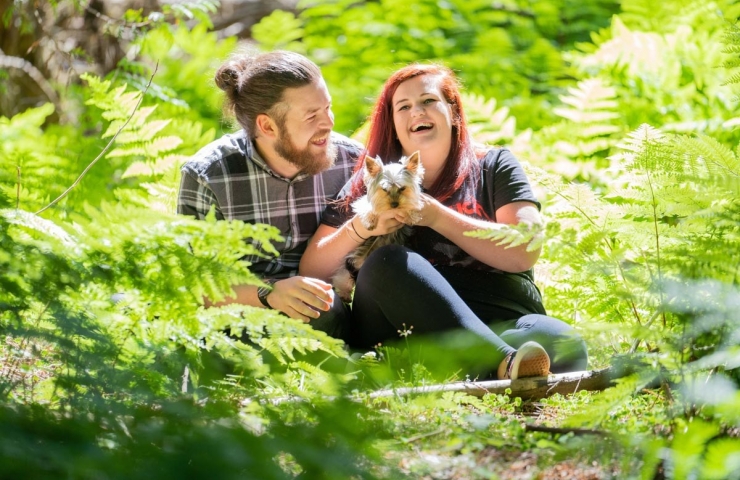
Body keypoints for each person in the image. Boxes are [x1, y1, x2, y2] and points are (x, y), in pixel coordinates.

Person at [299, 63, 588, 379]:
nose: (416, 113)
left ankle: (482, 363)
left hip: (501, 315)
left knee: (562, 344)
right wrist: (362, 227)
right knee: (387, 261)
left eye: (428, 101)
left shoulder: (494, 165)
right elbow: (312, 270)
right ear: (392, 123)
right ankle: (504, 364)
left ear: (453, 111)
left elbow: (524, 249)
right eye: (403, 107)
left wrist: (437, 216)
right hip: (404, 323)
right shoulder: (372, 180)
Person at [177, 50, 364, 342]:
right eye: (312, 115)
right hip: (243, 319)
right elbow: (196, 286)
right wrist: (269, 294)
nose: (328, 123)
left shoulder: (351, 161)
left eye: (328, 107)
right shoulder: (208, 176)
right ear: (267, 126)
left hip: (335, 308)